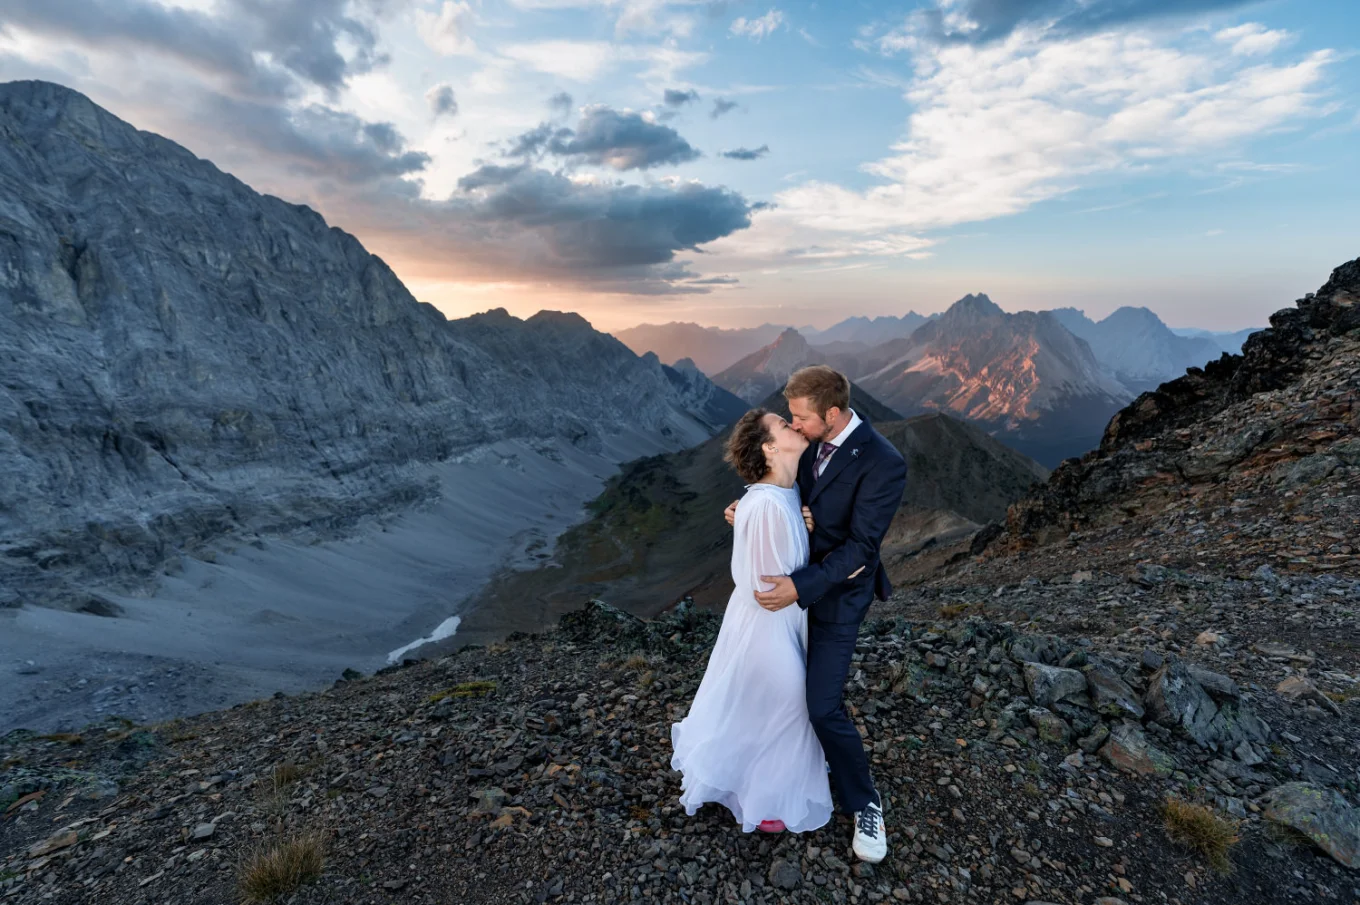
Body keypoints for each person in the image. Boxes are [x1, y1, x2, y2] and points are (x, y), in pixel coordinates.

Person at [723, 366, 907, 864]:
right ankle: (769, 775)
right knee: (777, 692)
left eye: (800, 417)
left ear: (830, 414)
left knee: (821, 705)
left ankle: (866, 803)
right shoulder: (804, 445)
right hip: (787, 598)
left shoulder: (883, 463)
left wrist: (797, 588)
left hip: (834, 600)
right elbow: (780, 486)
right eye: (789, 418)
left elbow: (863, 549)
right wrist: (748, 507)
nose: (793, 424)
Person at [669, 409, 834, 834]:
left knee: (762, 704)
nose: (795, 426)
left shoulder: (786, 491)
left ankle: (755, 783)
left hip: (781, 619)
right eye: (784, 424)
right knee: (788, 700)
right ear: (769, 447)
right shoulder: (762, 505)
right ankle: (764, 794)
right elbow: (766, 588)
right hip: (765, 622)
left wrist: (807, 526)